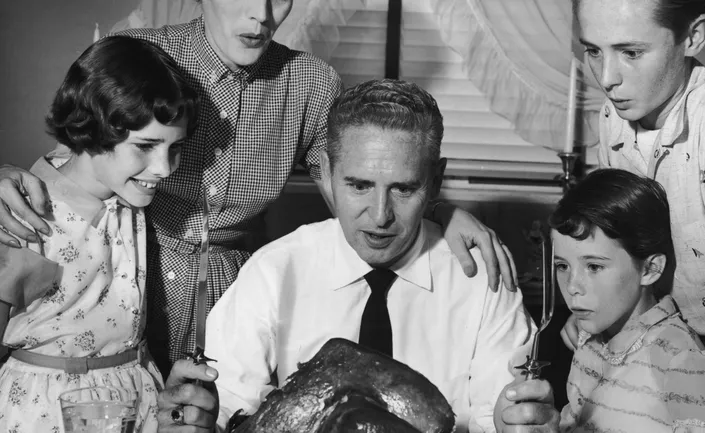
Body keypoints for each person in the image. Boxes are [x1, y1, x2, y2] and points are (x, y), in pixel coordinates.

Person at [0, 0, 519, 377]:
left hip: (237, 289)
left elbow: (358, 183)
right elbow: (84, 155)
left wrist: (442, 211)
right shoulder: (147, 55)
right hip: (132, 278)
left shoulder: (311, 84)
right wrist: (7, 179)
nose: (262, 15)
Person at [204, 79, 535, 432]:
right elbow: (225, 405)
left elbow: (504, 419)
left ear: (435, 180)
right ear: (328, 173)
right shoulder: (274, 272)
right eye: (360, 185)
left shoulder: (484, 282)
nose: (380, 216)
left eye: (404, 189)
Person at [559, 0, 705, 430]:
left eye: (631, 52)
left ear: (692, 37)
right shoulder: (614, 116)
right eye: (593, 51)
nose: (606, 78)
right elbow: (619, 242)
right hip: (657, 338)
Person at [0, 36, 218, 432]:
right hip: (46, 414)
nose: (165, 168)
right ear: (93, 128)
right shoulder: (23, 213)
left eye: (174, 148)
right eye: (145, 146)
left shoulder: (127, 195)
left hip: (138, 404)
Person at [496, 169, 705, 432]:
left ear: (650, 269)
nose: (572, 287)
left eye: (594, 267)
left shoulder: (682, 361)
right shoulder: (588, 343)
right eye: (562, 266)